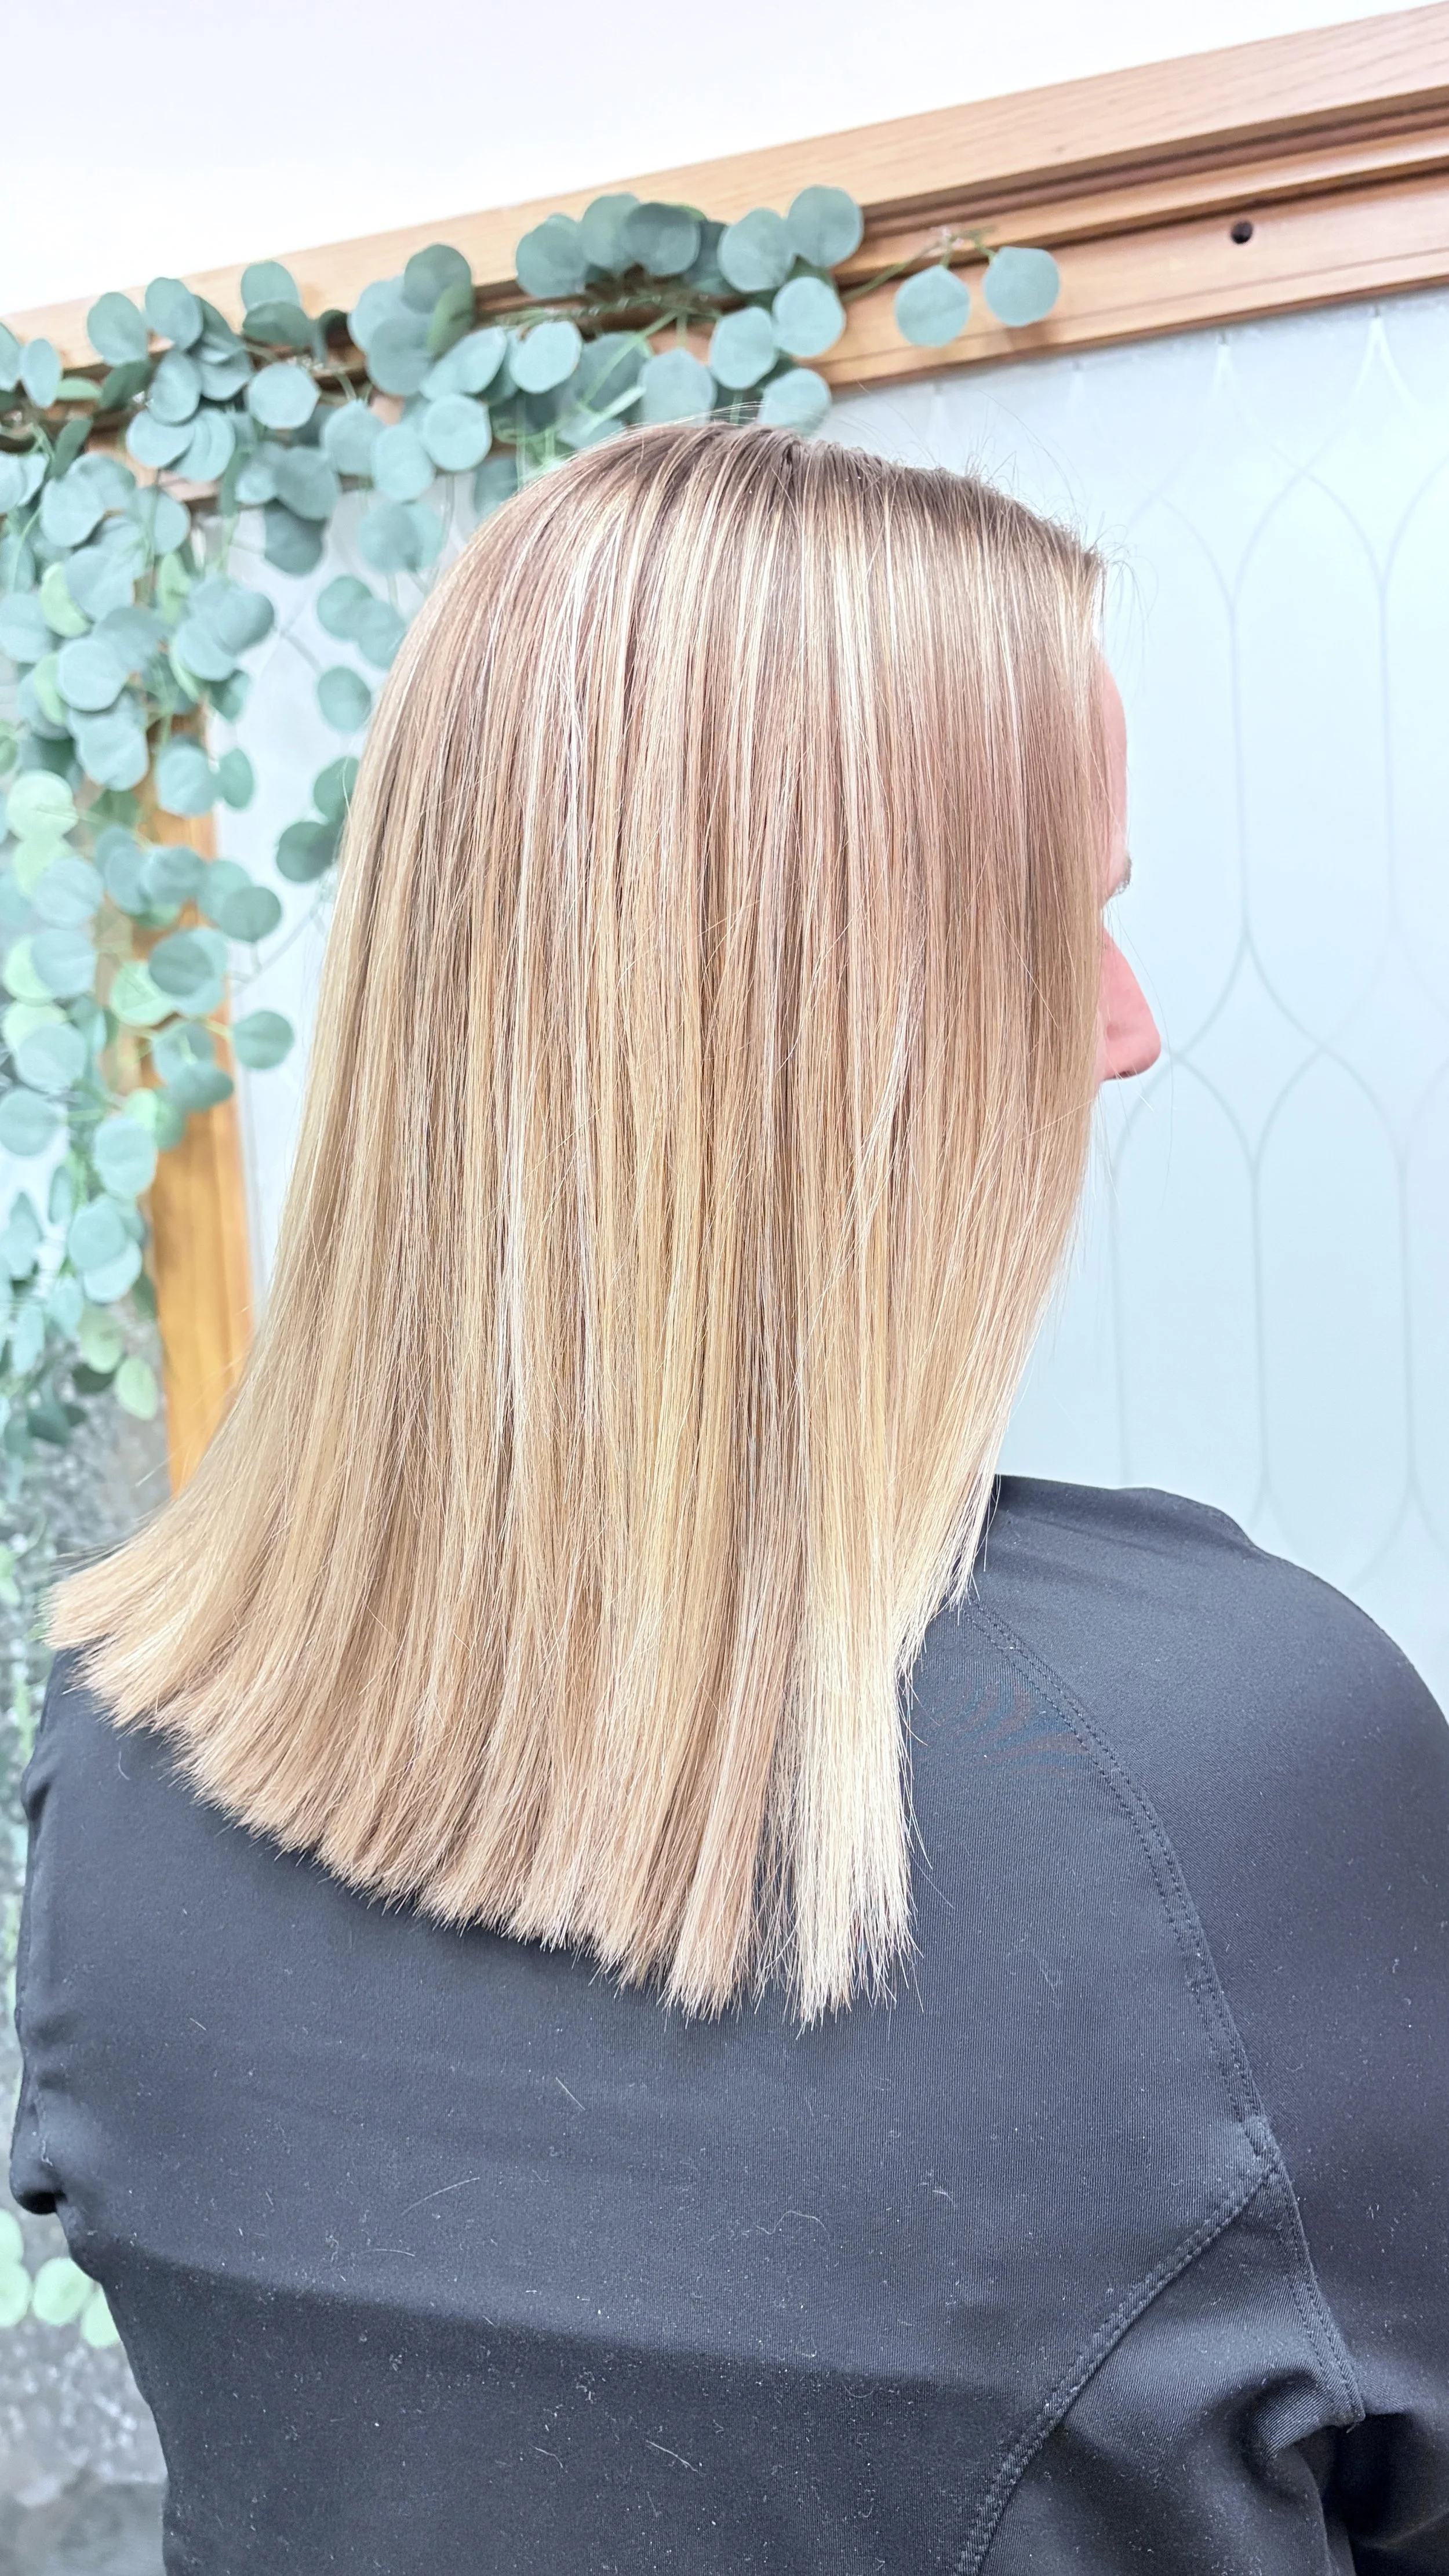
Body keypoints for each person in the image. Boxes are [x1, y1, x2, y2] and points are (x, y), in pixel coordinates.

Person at [12, 421, 1447, 2573]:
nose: (1129, 1032)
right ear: (828, 1023)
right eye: (1069, 926)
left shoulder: (124, 1742)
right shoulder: (1213, 1759)